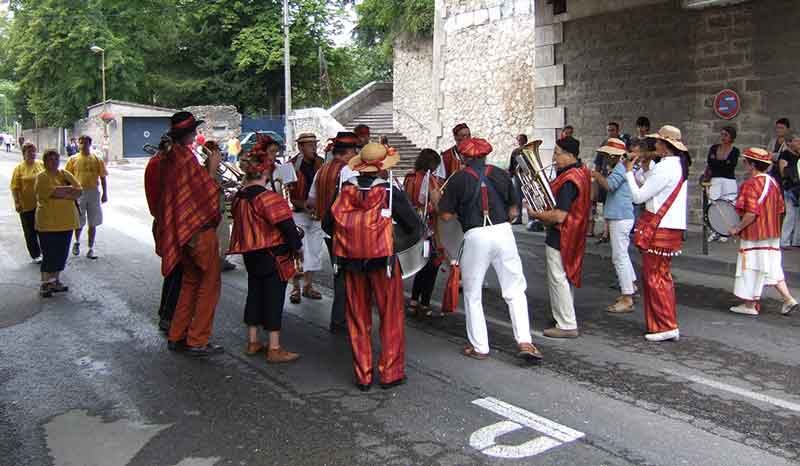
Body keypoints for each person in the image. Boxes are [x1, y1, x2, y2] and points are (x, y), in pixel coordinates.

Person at [325, 143, 422, 391]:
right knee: (390, 316)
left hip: (350, 262)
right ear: (381, 168)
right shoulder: (389, 191)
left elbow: (328, 225)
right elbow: (414, 226)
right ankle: (390, 373)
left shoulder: (344, 190)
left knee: (357, 318)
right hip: (383, 263)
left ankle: (363, 375)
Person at [439, 137, 543, 360]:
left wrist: (462, 212)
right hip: (503, 232)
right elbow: (514, 211)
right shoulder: (500, 173)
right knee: (515, 289)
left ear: (463, 157)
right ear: (486, 155)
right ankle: (525, 341)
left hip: (476, 235)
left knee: (472, 293)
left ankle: (480, 347)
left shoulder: (457, 180)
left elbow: (446, 215)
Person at [149, 111, 224, 357]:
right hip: (198, 231)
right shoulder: (185, 161)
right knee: (209, 284)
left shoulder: (171, 158)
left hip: (180, 232)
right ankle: (198, 339)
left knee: (190, 282)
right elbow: (205, 194)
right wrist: (212, 169)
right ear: (189, 134)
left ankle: (177, 334)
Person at [228, 137, 304, 362]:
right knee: (273, 297)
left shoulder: (238, 197)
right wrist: (297, 248)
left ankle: (252, 341)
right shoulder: (269, 198)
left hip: (251, 254)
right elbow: (288, 228)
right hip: (273, 254)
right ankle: (274, 347)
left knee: (254, 294)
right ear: (266, 172)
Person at [624, 125, 689, 342]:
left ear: (665, 146)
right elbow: (652, 186)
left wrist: (627, 173)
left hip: (660, 228)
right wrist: (643, 167)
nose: (655, 145)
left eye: (658, 142)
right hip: (670, 227)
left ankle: (665, 325)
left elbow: (639, 197)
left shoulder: (665, 168)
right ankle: (664, 323)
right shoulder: (674, 165)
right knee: (661, 276)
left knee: (654, 278)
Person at [529, 137, 591, 339]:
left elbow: (559, 215)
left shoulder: (568, 180)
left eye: (557, 153)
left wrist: (535, 214)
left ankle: (566, 324)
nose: (554, 158)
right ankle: (564, 315)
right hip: (575, 232)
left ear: (569, 154)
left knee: (558, 278)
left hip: (562, 233)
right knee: (565, 277)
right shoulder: (582, 172)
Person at [727, 147, 799, 316]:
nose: (743, 163)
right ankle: (788, 299)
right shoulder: (773, 182)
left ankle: (750, 305)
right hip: (772, 234)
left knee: (750, 267)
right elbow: (780, 208)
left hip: (754, 235)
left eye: (745, 161)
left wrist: (737, 228)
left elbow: (751, 213)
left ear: (752, 165)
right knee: (772, 267)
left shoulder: (750, 184)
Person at [309, 131, 361, 334]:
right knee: (348, 277)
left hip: (327, 230)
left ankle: (340, 319)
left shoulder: (322, 170)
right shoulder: (348, 171)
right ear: (349, 151)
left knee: (340, 274)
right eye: (355, 150)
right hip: (344, 232)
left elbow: (310, 201)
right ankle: (342, 321)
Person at [592, 138, 637, 313]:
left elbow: (610, 186)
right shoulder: (620, 166)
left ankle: (627, 297)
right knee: (622, 255)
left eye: (606, 154)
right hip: (621, 216)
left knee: (619, 258)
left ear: (612, 154)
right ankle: (630, 286)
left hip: (620, 217)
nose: (604, 157)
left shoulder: (619, 168)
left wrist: (597, 176)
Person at [144, 144, 182, 333]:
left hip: (164, 221)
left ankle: (166, 312)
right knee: (177, 270)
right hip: (169, 222)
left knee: (173, 270)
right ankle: (168, 315)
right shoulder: (161, 165)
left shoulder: (156, 163)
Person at [35, 149, 82, 297]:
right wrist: (68, 190)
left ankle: (55, 280)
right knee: (50, 253)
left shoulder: (65, 174)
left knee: (62, 253)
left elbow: (79, 190)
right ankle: (45, 283)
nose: (54, 162)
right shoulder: (41, 177)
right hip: (48, 223)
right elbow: (49, 193)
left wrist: (60, 192)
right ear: (44, 161)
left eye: (56, 159)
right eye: (50, 159)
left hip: (67, 221)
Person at [403, 148, 444, 318]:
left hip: (412, 226)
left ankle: (413, 301)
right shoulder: (430, 180)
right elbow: (437, 207)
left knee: (420, 265)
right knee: (432, 266)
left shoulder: (409, 177)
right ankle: (424, 303)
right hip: (428, 228)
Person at [287, 132, 325, 304]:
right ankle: (295, 287)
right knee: (298, 252)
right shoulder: (291, 166)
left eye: (314, 145)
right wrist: (304, 205)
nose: (314, 148)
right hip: (298, 213)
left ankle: (308, 286)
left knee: (315, 251)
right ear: (300, 147)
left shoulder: (321, 163)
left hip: (316, 214)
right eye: (310, 145)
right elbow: (288, 194)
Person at [65, 135, 108, 260]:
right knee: (79, 219)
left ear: (90, 144)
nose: (83, 145)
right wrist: (69, 193)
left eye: (86, 142)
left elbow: (103, 177)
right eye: (81, 142)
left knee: (93, 221)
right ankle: (77, 242)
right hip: (79, 192)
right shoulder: (73, 159)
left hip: (93, 192)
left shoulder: (97, 159)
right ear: (78, 144)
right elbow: (67, 177)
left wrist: (105, 193)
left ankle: (90, 248)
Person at [703, 126, 740, 243]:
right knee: (713, 204)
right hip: (715, 179)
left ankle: (726, 232)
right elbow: (710, 162)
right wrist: (722, 163)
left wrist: (718, 163)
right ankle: (714, 231)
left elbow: (730, 166)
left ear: (731, 137)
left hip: (729, 180)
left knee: (728, 204)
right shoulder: (714, 148)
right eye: (722, 134)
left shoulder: (735, 150)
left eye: (726, 135)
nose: (723, 137)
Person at [10, 143, 44, 263]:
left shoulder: (41, 164)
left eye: (34, 151)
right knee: (30, 232)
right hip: (26, 205)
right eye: (29, 152)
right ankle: (36, 254)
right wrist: (17, 202)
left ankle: (45, 251)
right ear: (24, 154)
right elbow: (14, 187)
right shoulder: (19, 169)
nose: (32, 154)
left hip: (42, 205)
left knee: (43, 230)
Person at [779, 135, 800, 249]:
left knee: (798, 216)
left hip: (798, 188)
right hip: (790, 188)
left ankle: (796, 240)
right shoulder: (785, 154)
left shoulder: (798, 155)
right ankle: (784, 241)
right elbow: (783, 172)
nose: (798, 143)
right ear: (789, 142)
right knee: (791, 214)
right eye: (796, 141)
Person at [508, 134, 527, 225]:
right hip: (517, 177)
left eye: (521, 140)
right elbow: (511, 164)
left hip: (527, 176)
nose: (519, 142)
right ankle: (519, 218)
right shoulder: (515, 151)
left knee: (528, 197)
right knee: (517, 198)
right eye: (518, 140)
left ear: (525, 141)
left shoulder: (528, 150)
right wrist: (510, 175)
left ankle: (532, 218)